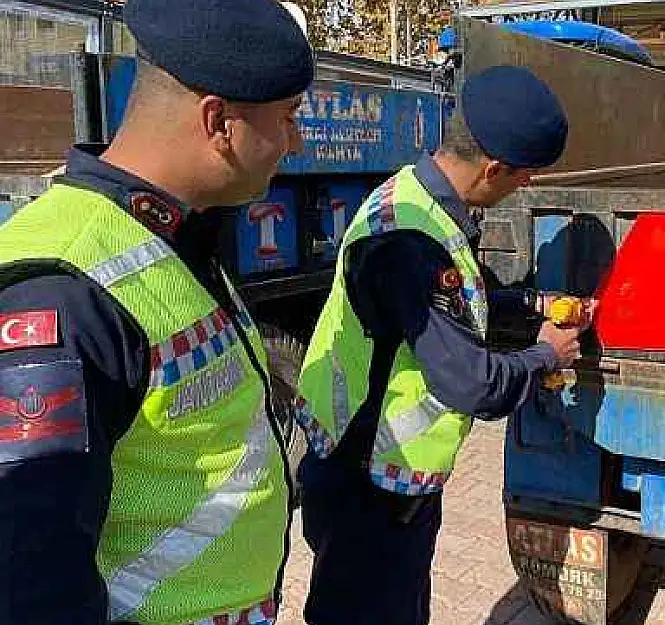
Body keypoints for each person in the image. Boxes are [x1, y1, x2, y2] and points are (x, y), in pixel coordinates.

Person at [0, 0, 314, 623]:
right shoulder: (63, 293)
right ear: (219, 122)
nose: (294, 141)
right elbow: (32, 583)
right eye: (286, 119)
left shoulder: (169, 234)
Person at [294, 65, 585, 625]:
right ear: (494, 168)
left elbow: (459, 302)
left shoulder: (414, 196)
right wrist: (548, 354)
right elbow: (473, 384)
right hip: (372, 483)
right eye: (522, 178)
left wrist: (533, 306)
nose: (522, 188)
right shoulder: (411, 241)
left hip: (366, 472)